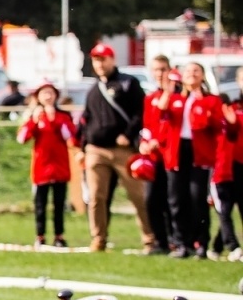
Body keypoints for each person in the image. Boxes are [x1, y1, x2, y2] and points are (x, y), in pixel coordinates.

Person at [79, 42, 157, 253]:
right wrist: (83, 147)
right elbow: (86, 120)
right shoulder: (94, 89)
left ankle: (150, 239)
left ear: (112, 60)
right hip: (96, 149)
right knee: (96, 197)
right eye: (96, 60)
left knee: (137, 196)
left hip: (122, 150)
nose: (99, 64)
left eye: (103, 59)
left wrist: (128, 134)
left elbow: (140, 112)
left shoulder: (128, 83)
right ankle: (98, 238)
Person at [156, 61, 222, 259]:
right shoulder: (176, 99)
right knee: (177, 199)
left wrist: (201, 102)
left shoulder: (210, 100)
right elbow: (161, 113)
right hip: (177, 152)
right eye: (188, 71)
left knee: (197, 198)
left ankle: (200, 242)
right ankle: (181, 243)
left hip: (198, 153)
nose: (191, 74)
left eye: (196, 71)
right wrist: (168, 91)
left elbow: (215, 125)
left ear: (202, 75)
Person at [17, 81, 77, 247]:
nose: (48, 96)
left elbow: (70, 136)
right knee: (40, 205)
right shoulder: (35, 117)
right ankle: (40, 236)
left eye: (51, 93)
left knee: (59, 204)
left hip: (60, 167)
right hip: (41, 168)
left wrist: (54, 119)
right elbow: (22, 138)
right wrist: (33, 120)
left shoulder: (63, 116)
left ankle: (59, 236)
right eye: (44, 93)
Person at [139, 55, 176, 253]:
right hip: (154, 158)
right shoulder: (150, 98)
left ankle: (176, 240)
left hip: (172, 155)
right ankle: (160, 242)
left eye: (163, 69)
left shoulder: (178, 96)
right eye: (156, 70)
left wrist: (158, 140)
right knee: (151, 199)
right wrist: (144, 143)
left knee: (172, 200)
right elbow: (147, 126)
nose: (160, 74)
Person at [211, 95, 240, 260]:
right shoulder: (214, 124)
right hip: (219, 174)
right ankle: (231, 246)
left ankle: (219, 246)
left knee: (226, 210)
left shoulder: (231, 123)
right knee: (224, 210)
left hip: (231, 172)